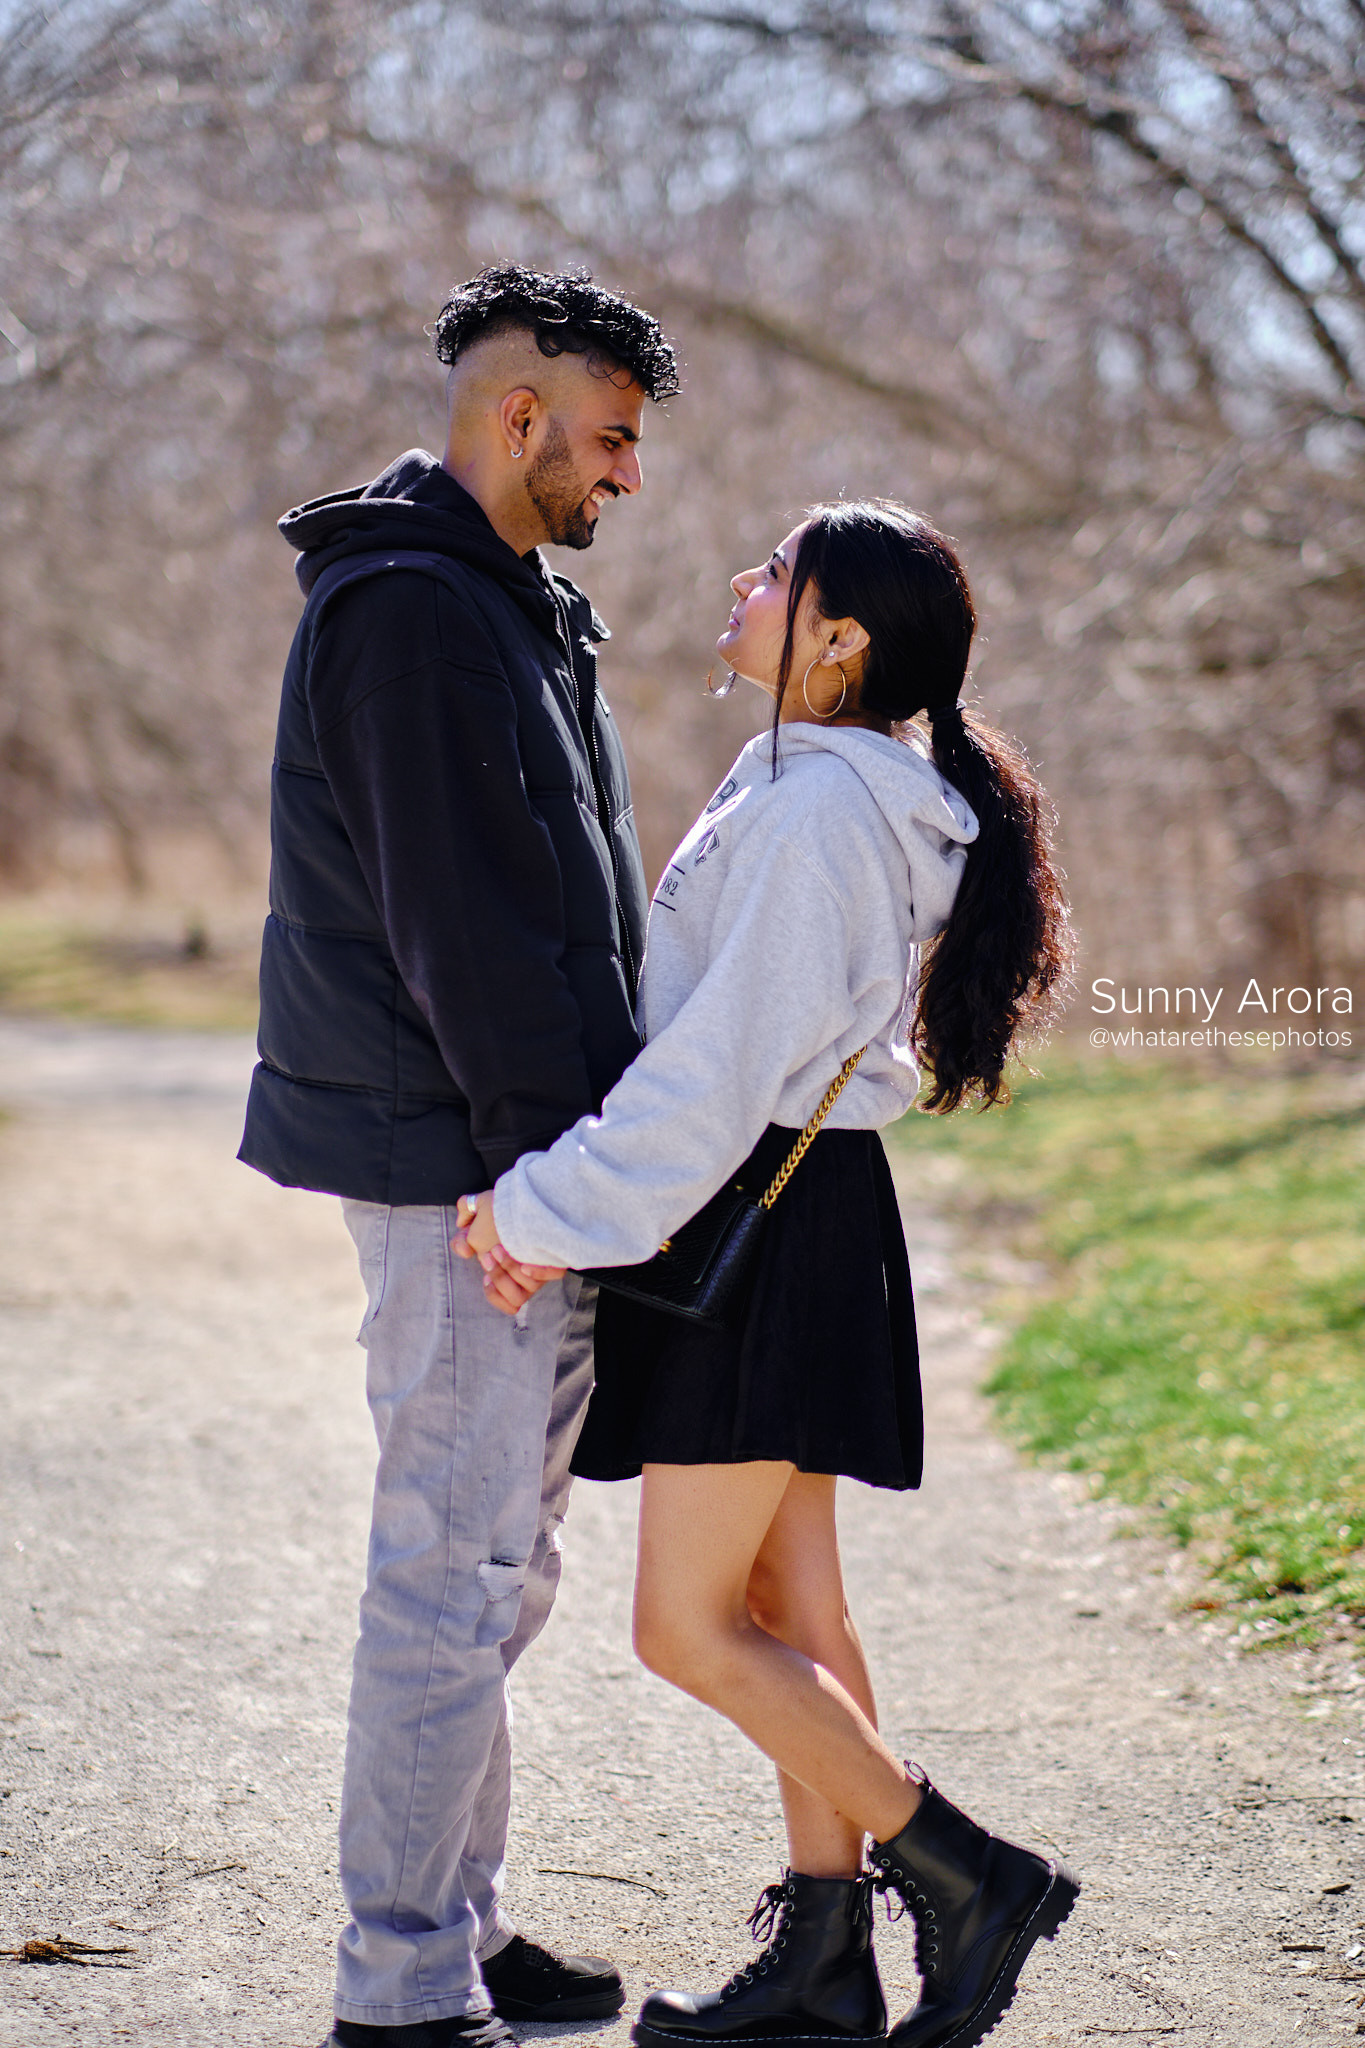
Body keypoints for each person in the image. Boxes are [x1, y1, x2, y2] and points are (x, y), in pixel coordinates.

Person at [455, 501, 1078, 2048]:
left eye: (778, 574)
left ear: (839, 638)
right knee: (792, 1603)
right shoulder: (806, 782)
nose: (745, 583)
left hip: (762, 1217)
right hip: (788, 1209)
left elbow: (718, 1069)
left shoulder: (815, 815)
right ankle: (824, 1954)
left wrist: (542, 1212)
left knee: (685, 1627)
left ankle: (968, 1875)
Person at [236, 263, 679, 2048]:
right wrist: (538, 1179)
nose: (628, 473)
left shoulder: (513, 603)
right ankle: (402, 1988)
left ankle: (459, 1933)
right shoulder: (415, 612)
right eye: (612, 438)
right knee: (448, 1573)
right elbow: (461, 927)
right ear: (520, 417)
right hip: (465, 1174)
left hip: (513, 1164)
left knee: (499, 1568)